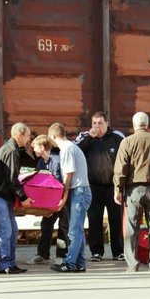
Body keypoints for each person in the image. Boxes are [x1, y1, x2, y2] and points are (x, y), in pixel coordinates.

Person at [113, 112, 150, 272]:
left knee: (132, 227)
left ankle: (132, 264)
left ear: (134, 125)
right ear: (147, 124)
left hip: (134, 190)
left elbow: (121, 169)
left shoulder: (127, 142)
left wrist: (118, 189)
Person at [74, 111, 125, 262]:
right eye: (94, 123)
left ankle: (118, 252)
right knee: (94, 219)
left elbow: (126, 158)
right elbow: (75, 151)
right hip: (93, 186)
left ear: (107, 123)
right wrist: (89, 137)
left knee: (116, 220)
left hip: (112, 187)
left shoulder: (117, 137)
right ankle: (96, 252)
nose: (97, 126)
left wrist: (121, 185)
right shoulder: (85, 136)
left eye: (100, 123)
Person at [0, 122, 33, 274]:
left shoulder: (10, 148)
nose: (29, 139)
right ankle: (5, 264)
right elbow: (12, 179)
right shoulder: (11, 151)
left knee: (12, 229)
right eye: (27, 135)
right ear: (19, 135)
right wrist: (23, 197)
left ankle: (10, 263)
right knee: (5, 230)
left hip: (2, 195)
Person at [48, 123, 92, 272]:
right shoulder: (72, 147)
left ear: (53, 136)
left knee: (73, 230)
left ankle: (70, 262)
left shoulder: (66, 150)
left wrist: (64, 197)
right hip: (82, 190)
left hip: (78, 191)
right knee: (78, 229)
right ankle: (79, 263)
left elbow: (68, 176)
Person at [27, 134, 69, 265]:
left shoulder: (56, 160)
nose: (33, 150)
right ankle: (43, 254)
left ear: (42, 147)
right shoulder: (41, 162)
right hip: (48, 200)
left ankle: (62, 255)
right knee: (45, 225)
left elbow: (61, 182)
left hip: (62, 198)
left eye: (35, 147)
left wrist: (61, 200)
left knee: (63, 226)